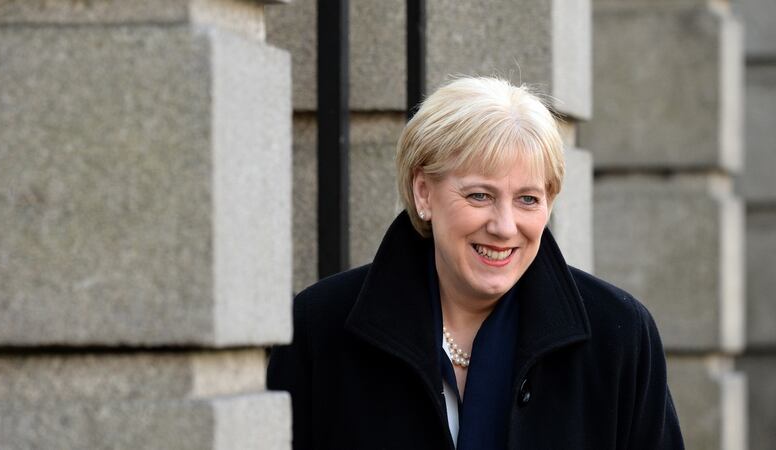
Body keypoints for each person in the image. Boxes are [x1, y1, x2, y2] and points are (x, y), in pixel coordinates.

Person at [267, 76, 684, 449]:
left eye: (527, 199)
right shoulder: (319, 326)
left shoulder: (620, 334)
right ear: (424, 194)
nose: (505, 227)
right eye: (479, 195)